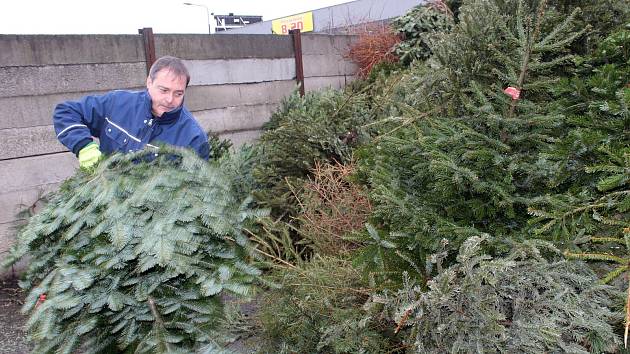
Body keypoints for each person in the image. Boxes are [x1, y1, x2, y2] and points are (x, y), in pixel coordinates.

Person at [53, 56, 210, 168]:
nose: (170, 100)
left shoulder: (194, 137)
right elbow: (66, 112)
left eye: (178, 93)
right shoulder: (117, 103)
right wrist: (83, 146)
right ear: (149, 82)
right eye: (164, 90)